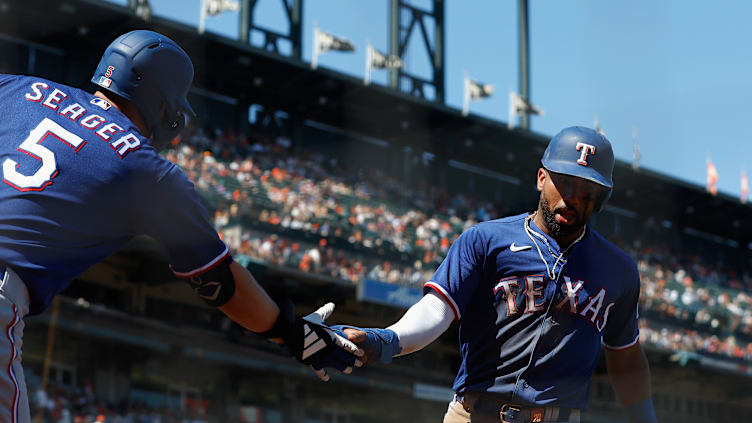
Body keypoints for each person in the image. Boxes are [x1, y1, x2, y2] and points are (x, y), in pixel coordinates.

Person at [0, 30, 361, 423]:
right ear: (162, 103)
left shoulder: (20, 88)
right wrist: (293, 334)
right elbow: (220, 282)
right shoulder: (148, 170)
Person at [336, 127, 657, 423]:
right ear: (541, 178)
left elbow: (626, 357)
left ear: (602, 200)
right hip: (475, 414)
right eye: (565, 183)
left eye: (588, 191)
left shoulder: (619, 271)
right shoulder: (486, 240)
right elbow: (437, 309)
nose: (572, 198)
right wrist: (388, 339)